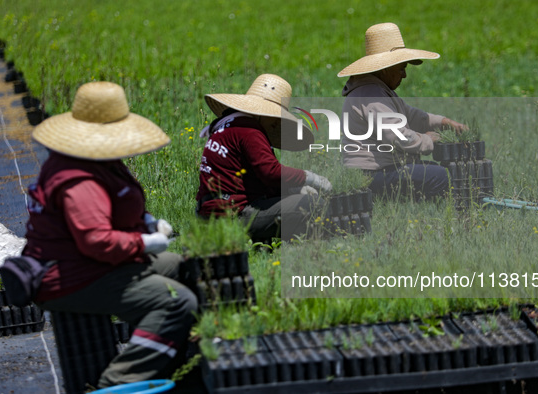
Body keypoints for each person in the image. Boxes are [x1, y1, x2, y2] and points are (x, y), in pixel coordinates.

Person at [23, 81, 197, 387]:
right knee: (176, 301)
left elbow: (114, 210)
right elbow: (96, 241)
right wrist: (145, 242)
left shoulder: (95, 162)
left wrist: (146, 222)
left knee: (180, 266)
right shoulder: (79, 180)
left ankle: (173, 358)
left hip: (89, 265)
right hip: (72, 278)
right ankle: (117, 383)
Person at [338, 23, 468, 200]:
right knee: (442, 176)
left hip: (377, 172)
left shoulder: (376, 91)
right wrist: (428, 140)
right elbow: (399, 136)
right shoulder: (372, 95)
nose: (404, 75)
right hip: (372, 175)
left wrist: (444, 122)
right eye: (401, 68)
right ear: (385, 68)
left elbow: (411, 115)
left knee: (432, 170)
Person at [196, 73, 332, 242]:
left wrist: (293, 190)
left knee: (297, 200)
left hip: (210, 213)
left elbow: (261, 179)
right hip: (232, 216)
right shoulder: (250, 130)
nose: (276, 123)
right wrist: (308, 178)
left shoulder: (226, 126)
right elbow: (270, 172)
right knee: (311, 205)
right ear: (262, 112)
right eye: (275, 117)